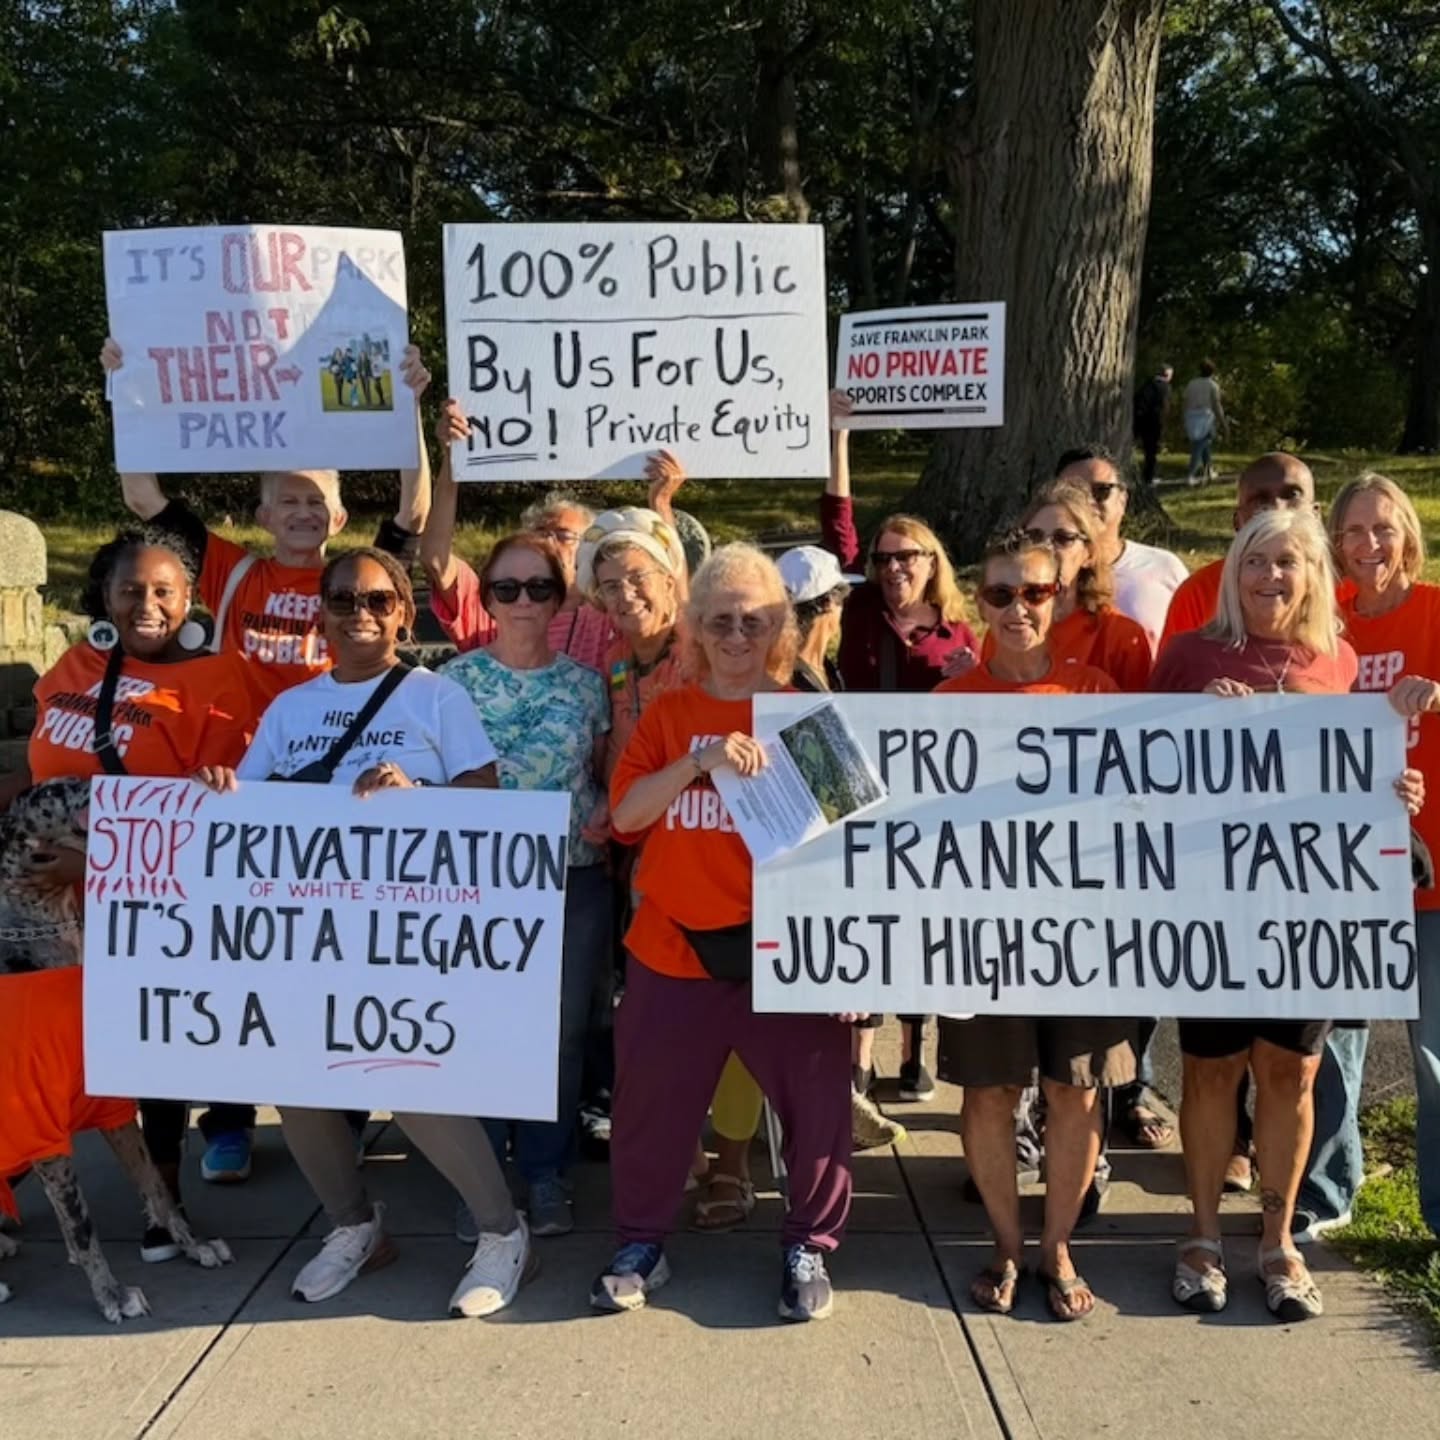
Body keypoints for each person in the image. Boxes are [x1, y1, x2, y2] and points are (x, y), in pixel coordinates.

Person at [193, 548, 536, 1318]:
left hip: (409, 928)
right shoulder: (290, 709)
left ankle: (502, 1232)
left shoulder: (434, 698)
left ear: (403, 614)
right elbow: (251, 811)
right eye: (344, 599)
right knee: (297, 1080)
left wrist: (421, 793)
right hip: (308, 931)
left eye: (379, 600)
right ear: (322, 613)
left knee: (405, 1074)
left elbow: (485, 796)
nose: (361, 613)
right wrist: (222, 790)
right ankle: (356, 1227)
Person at [1152, 508, 1425, 1322]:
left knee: (1292, 1071)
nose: (1272, 578)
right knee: (1209, 1069)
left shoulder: (1337, 660)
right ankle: (1201, 1235)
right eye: (1257, 562)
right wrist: (1196, 719)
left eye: (1289, 565)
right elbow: (1133, 777)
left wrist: (1392, 798)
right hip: (1210, 899)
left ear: (1313, 577)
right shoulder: (1187, 656)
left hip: (1311, 910)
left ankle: (1277, 1240)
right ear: (1234, 571)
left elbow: (1347, 777)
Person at [594, 544, 854, 1322]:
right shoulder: (670, 715)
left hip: (786, 953)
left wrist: (850, 963)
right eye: (720, 621)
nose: (737, 635)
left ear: (779, 626)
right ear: (695, 629)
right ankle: (641, 1241)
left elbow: (849, 852)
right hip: (673, 948)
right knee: (649, 1108)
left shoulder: (806, 717)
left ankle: (809, 1244)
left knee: (817, 1108)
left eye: (755, 620)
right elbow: (628, 816)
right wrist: (697, 763)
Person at [5, 527, 258, 1260]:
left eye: (163, 590)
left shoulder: (220, 680)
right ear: (105, 595)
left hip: (145, 897)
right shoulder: (73, 666)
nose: (147, 603)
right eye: (130, 589)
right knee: (32, 1049)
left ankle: (163, 1200)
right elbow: (39, 774)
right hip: (39, 910)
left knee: (149, 1048)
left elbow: (201, 810)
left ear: (189, 599)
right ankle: (11, 1189)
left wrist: (88, 869)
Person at [934, 528, 1130, 1320]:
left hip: (1082, 932)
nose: (1018, 608)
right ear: (977, 601)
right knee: (989, 1091)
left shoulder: (1100, 691)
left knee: (1075, 1091)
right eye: (1001, 593)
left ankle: (1057, 1247)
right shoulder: (947, 706)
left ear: (1059, 597)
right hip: (983, 932)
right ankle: (1006, 1246)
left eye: (1036, 592)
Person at [580, 509, 767, 1228]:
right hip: (642, 864)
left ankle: (733, 1167)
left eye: (638, 578)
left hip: (729, 869)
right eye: (608, 585)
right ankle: (686, 1154)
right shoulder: (617, 662)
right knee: (661, 1025)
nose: (625, 595)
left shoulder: (709, 648)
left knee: (736, 1028)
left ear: (671, 581)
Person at [101, 338, 433, 707]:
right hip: (239, 750)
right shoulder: (231, 572)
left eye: (316, 502)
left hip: (327, 744)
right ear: (265, 517)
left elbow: (413, 513)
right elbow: (141, 496)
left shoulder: (362, 580)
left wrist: (408, 405)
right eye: (289, 502)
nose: (303, 512)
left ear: (338, 519)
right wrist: (124, 390)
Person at [440, 534, 614, 1239]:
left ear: (560, 599)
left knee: (561, 1036)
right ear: (486, 598)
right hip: (475, 886)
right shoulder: (451, 683)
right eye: (506, 588)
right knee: (481, 1031)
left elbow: (604, 771)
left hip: (571, 878)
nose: (522, 602)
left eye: (538, 588)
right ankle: (481, 1181)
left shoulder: (586, 685)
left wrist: (607, 807)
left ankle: (545, 1172)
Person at [825, 393, 978, 1101]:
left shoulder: (959, 630)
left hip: (935, 791)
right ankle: (856, 1055)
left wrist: (964, 678)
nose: (893, 568)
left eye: (907, 557)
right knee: (867, 915)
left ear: (931, 561)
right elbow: (839, 532)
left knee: (924, 921)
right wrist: (839, 438)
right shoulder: (856, 607)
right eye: (884, 559)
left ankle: (915, 1053)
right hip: (861, 783)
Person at [1316, 474, 1440, 1242]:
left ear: (1409, 535)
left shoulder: (1435, 612)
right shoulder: (1324, 625)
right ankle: (1328, 1196)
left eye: (1383, 528)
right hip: (1343, 874)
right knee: (1331, 1048)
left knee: (1433, 1057)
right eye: (1354, 531)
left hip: (1433, 873)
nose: (1370, 545)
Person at [777, 544, 903, 1152]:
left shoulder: (819, 675)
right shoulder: (798, 687)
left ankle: (840, 1095)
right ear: (830, 607)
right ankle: (827, 1112)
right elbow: (840, 797)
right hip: (815, 871)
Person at [421, 399, 613, 670]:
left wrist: (661, 503)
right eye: (539, 533)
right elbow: (435, 559)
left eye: (563, 535)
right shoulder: (499, 606)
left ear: (589, 550)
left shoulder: (607, 618)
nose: (547, 542)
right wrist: (452, 463)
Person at [988, 479, 1152, 692]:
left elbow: (1142, 719)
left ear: (1089, 553)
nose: (1046, 548)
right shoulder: (1008, 628)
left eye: (1062, 539)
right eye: (1034, 537)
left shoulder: (1121, 636)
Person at [1158, 452, 1319, 653]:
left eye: (1292, 495)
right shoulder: (1199, 592)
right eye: (1260, 500)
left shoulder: (1343, 589)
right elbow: (1174, 679)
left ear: (1315, 514)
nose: (1277, 508)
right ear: (1238, 522)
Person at [1055, 446, 1188, 656]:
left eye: (1100, 491)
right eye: (1074, 493)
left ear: (1122, 500)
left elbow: (1197, 651)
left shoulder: (1165, 568)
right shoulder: (1036, 575)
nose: (1088, 502)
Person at [1182, 359, 1226, 485]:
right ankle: (1191, 474)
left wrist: (1184, 417)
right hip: (1205, 417)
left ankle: (1209, 469)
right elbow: (1216, 405)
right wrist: (1223, 422)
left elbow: (1185, 401)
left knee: (1204, 444)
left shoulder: (1192, 383)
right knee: (1199, 445)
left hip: (1191, 416)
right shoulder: (1213, 385)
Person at [1133, 363, 1173, 485]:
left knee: (1135, 446)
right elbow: (1164, 406)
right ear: (1167, 375)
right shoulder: (1165, 387)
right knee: (1151, 451)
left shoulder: (1147, 384)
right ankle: (1148, 477)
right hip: (1153, 422)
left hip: (1139, 419)